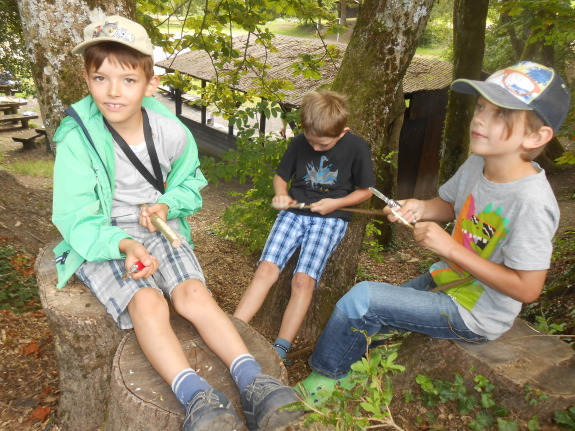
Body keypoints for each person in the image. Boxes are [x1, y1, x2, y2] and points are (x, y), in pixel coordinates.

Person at [51, 15, 302, 431]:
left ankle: (253, 380)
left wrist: (166, 205)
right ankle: (197, 396)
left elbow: (191, 184)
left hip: (156, 226)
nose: (113, 92)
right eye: (100, 78)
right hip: (103, 238)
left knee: (192, 294)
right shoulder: (76, 139)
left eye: (128, 80)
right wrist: (125, 244)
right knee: (148, 302)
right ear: (86, 78)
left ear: (149, 83)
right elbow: (76, 217)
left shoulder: (170, 131)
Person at [296, 61, 571, 406]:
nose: (480, 118)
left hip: (476, 314)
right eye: (482, 107)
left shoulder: (531, 201)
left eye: (501, 113)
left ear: (536, 136)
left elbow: (528, 288)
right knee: (376, 319)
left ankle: (326, 379)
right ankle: (361, 370)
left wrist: (451, 249)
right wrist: (420, 208)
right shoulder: (478, 164)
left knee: (362, 300)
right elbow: (449, 205)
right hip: (445, 280)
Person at [233, 90, 376, 361]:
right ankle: (233, 328)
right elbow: (280, 176)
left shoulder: (356, 147)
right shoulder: (301, 141)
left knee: (302, 280)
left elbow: (366, 191)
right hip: (294, 213)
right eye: (311, 142)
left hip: (331, 219)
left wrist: (336, 203)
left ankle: (280, 349)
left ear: (342, 132)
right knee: (266, 269)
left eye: (322, 145)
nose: (315, 148)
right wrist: (280, 194)